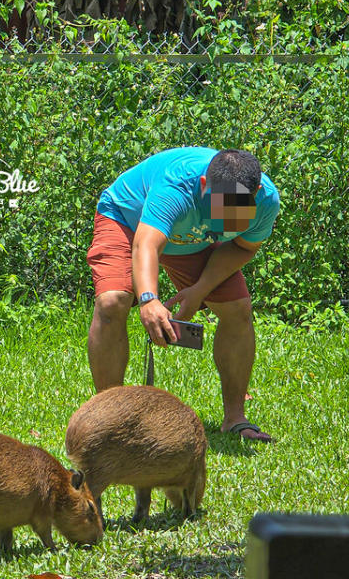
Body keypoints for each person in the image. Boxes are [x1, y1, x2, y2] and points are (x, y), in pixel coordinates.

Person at [86, 147, 280, 442]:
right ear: (204, 185)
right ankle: (108, 421)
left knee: (238, 309)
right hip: (126, 219)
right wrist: (149, 299)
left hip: (192, 240)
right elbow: (146, 244)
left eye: (239, 208)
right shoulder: (177, 183)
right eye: (222, 207)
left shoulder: (266, 201)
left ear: (258, 191)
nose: (229, 219)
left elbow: (243, 246)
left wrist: (199, 290)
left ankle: (235, 419)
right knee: (112, 301)